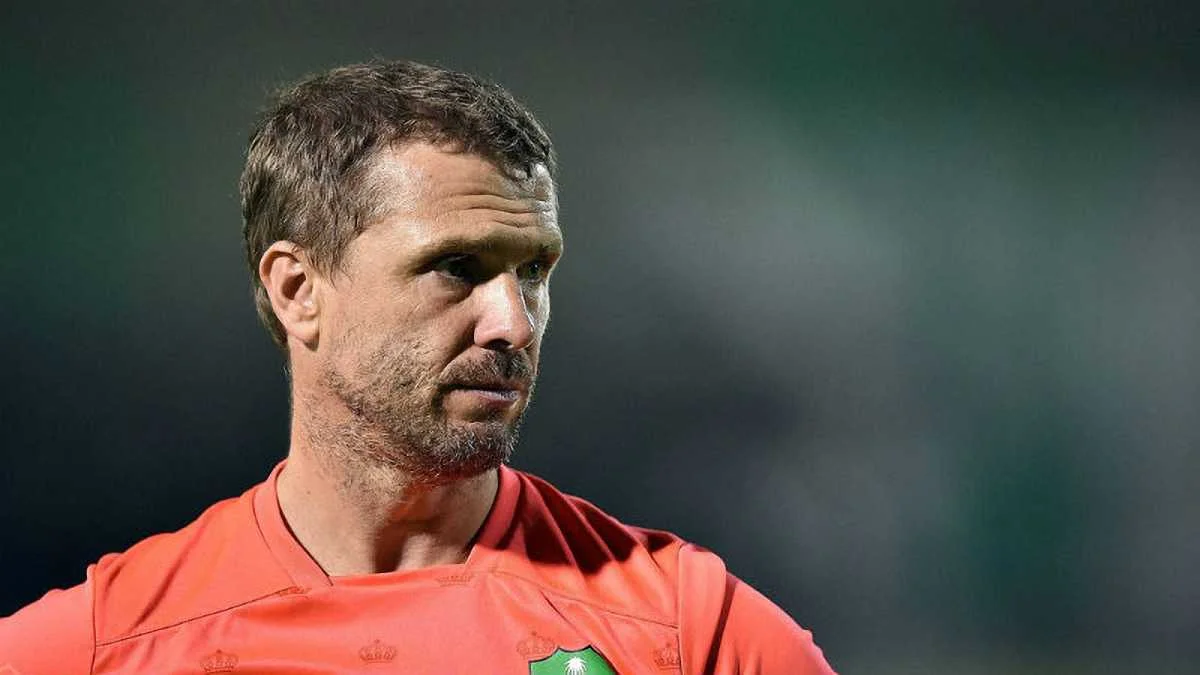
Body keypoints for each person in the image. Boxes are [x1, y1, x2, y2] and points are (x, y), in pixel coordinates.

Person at [0, 60, 835, 674]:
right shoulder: (106, 646)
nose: (513, 323)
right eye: (456, 267)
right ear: (298, 290)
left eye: (533, 270)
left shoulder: (690, 634)